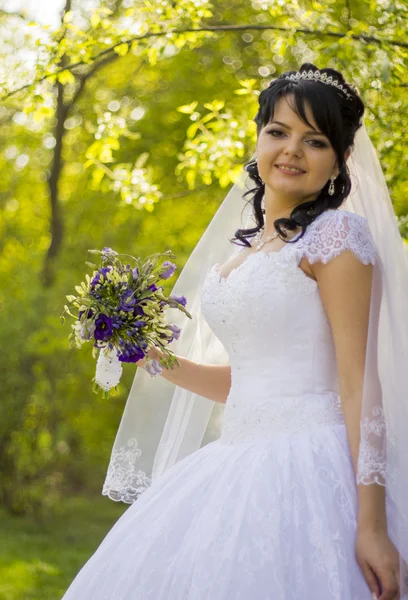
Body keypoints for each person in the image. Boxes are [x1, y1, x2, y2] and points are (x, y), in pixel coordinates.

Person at [62, 63, 407, 600]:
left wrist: (372, 525)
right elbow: (244, 384)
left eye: (314, 140)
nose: (292, 150)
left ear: (339, 159)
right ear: (258, 138)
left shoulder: (337, 235)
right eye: (278, 132)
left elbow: (359, 384)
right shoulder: (246, 251)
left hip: (312, 465)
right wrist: (152, 356)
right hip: (236, 457)